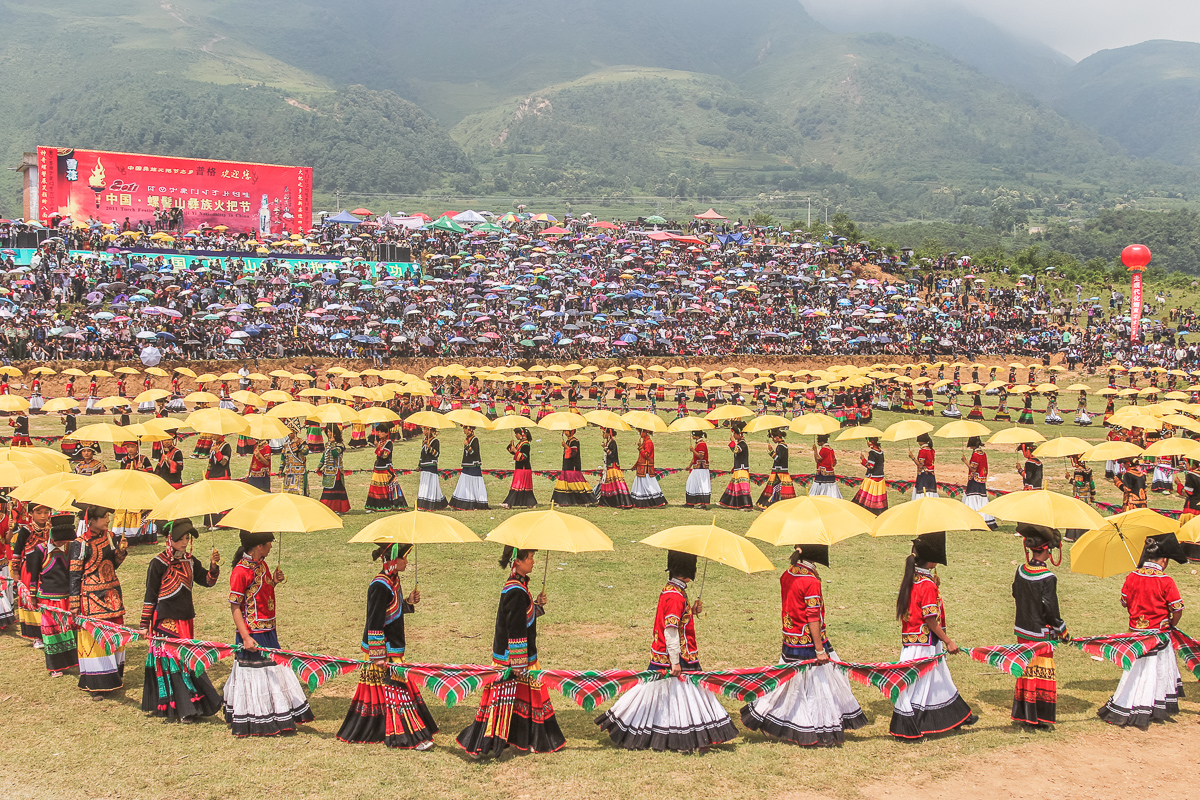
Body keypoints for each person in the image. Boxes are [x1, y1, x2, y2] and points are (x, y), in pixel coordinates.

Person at [596, 550, 737, 752]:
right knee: (682, 694)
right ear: (688, 570)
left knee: (668, 693)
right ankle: (685, 736)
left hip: (673, 653)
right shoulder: (675, 596)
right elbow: (670, 630)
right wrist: (675, 661)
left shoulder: (673, 591)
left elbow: (677, 621)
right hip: (676, 655)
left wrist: (691, 611)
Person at [741, 544, 867, 746]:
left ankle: (773, 719)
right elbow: (812, 617)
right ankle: (816, 726)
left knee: (790, 683)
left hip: (790, 637)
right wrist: (819, 649)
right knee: (818, 684)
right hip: (809, 641)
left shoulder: (788, 573)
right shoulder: (810, 581)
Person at [457, 546, 565, 757]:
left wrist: (536, 606)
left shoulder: (519, 586)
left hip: (519, 657)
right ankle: (485, 743)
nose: (534, 562)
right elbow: (515, 627)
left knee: (520, 700)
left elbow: (522, 617)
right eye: (531, 558)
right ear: (519, 561)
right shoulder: (515, 591)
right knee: (501, 702)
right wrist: (518, 663)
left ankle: (527, 738)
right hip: (513, 659)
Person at [337, 543, 437, 750]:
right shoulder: (379, 585)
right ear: (392, 560)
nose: (406, 562)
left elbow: (392, 612)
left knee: (390, 693)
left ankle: (388, 729)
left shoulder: (393, 581)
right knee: (397, 693)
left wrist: (408, 602)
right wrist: (378, 656)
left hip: (393, 649)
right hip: (384, 652)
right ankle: (409, 736)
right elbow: (374, 622)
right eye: (403, 558)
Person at [223, 530, 314, 737]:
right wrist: (245, 637)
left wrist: (274, 581)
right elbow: (235, 607)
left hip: (269, 629)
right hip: (253, 633)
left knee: (273, 672)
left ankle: (276, 712)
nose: (271, 547)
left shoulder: (261, 564)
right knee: (257, 674)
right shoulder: (240, 572)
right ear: (258, 546)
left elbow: (262, 590)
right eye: (268, 543)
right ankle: (259, 717)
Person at [889, 532, 977, 739]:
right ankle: (911, 725)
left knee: (938, 677)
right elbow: (930, 619)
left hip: (914, 639)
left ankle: (958, 716)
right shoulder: (926, 585)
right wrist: (948, 641)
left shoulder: (915, 579)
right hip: (925, 642)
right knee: (920, 683)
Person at [1098, 533, 1187, 729]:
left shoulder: (1132, 576)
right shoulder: (1166, 580)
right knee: (1156, 671)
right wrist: (1171, 622)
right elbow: (1178, 608)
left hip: (1135, 633)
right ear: (1163, 560)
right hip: (1158, 633)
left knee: (1135, 671)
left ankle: (1131, 702)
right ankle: (1150, 706)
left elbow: (1124, 602)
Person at [140, 518, 223, 722]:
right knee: (173, 662)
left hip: (186, 620)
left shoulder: (190, 561)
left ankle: (191, 705)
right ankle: (184, 707)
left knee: (186, 660)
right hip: (165, 621)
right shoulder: (157, 563)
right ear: (170, 539)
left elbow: (208, 581)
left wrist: (213, 566)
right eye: (181, 539)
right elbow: (150, 596)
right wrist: (144, 625)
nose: (185, 542)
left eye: (187, 538)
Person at [1011, 524, 1068, 728]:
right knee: (1041, 673)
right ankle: (1040, 716)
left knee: (1025, 671)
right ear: (1047, 550)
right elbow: (1050, 610)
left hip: (1022, 630)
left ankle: (1024, 713)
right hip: (1041, 633)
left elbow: (1016, 594)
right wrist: (1062, 630)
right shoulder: (1047, 578)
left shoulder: (1021, 570)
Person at [69, 506, 128, 693]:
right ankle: (98, 684)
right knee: (96, 638)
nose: (107, 520)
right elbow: (74, 574)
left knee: (115, 634)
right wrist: (74, 603)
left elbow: (112, 565)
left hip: (112, 594)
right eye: (104, 517)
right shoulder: (81, 543)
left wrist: (121, 552)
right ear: (92, 521)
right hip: (91, 598)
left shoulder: (110, 536)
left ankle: (115, 677)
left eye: (108, 517)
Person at [27, 515, 78, 676]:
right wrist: (33, 595)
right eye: (62, 540)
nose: (64, 543)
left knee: (70, 631)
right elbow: (33, 575)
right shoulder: (39, 550)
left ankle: (72, 661)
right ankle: (55, 666)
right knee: (52, 633)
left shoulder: (71, 549)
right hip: (49, 600)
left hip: (68, 598)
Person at [12, 502, 53, 643]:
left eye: (46, 512)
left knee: (46, 599)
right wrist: (16, 572)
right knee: (33, 599)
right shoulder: (25, 530)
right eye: (39, 512)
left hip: (48, 568)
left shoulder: (51, 529)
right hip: (29, 570)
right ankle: (37, 636)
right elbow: (16, 552)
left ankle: (48, 630)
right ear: (31, 514)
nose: (43, 516)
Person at [364, 423, 406, 512]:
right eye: (379, 432)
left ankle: (384, 505)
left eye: (381, 432)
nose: (379, 434)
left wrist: (377, 447)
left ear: (386, 433)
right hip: (378, 468)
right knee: (375, 488)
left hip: (385, 469)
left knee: (383, 489)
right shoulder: (380, 443)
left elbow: (384, 456)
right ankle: (373, 506)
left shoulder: (389, 443)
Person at [450, 425, 489, 510]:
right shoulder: (468, 439)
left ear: (469, 429)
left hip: (473, 466)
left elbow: (474, 453)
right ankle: (463, 501)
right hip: (467, 465)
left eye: (464, 428)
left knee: (472, 483)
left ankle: (474, 502)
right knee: (465, 483)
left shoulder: (475, 440)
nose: (463, 430)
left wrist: (467, 446)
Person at [551, 429, 594, 506]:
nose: (565, 432)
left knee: (576, 485)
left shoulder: (575, 441)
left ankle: (585, 500)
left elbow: (573, 453)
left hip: (573, 467)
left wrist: (566, 446)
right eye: (564, 431)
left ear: (572, 431)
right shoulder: (568, 441)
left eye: (567, 431)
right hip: (567, 466)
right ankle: (563, 501)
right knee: (565, 484)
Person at [960, 437, 996, 529]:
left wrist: (965, 461)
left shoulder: (976, 455)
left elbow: (973, 468)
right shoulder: (983, 454)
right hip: (982, 479)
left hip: (974, 479)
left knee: (972, 497)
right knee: (981, 498)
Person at [719, 421, 754, 510]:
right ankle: (727, 503)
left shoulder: (742, 444)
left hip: (742, 469)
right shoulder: (740, 443)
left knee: (742, 488)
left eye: (734, 434)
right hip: (738, 468)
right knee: (734, 487)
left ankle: (746, 506)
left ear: (739, 434)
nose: (733, 435)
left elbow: (735, 450)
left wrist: (732, 442)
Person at [317, 425, 351, 513]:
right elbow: (324, 456)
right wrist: (319, 466)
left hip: (336, 471)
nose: (328, 434)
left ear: (335, 433)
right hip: (328, 470)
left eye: (330, 432)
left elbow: (335, 454)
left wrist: (332, 444)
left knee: (335, 489)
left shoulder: (340, 445)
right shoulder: (327, 444)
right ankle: (327, 508)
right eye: (327, 432)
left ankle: (337, 508)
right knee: (327, 489)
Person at [502, 427, 537, 508]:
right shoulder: (520, 443)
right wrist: (512, 447)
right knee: (519, 486)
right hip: (520, 468)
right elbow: (516, 454)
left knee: (517, 486)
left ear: (522, 435)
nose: (515, 435)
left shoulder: (526, 444)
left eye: (517, 434)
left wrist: (515, 451)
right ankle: (530, 503)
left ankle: (509, 503)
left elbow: (524, 457)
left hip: (524, 468)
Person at [631, 429, 667, 508]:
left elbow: (646, 455)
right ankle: (642, 501)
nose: (640, 434)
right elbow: (640, 457)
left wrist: (640, 447)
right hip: (641, 467)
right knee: (641, 485)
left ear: (645, 432)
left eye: (641, 432)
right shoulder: (645, 442)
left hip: (646, 468)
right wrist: (635, 465)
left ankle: (656, 501)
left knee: (648, 485)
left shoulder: (648, 443)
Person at [852, 437, 888, 515]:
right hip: (880, 477)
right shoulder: (881, 452)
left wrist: (863, 460)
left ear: (871, 442)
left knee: (865, 498)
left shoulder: (872, 452)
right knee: (878, 497)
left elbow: (870, 466)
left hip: (873, 478)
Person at [416, 426, 448, 511]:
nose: (424, 431)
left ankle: (429, 504)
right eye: (424, 429)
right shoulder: (424, 441)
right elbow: (422, 454)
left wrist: (430, 448)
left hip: (431, 466)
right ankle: (424, 503)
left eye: (426, 429)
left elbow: (437, 454)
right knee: (424, 483)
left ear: (431, 430)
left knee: (430, 484)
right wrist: (419, 465)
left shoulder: (435, 441)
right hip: (424, 466)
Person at [684, 430, 711, 508]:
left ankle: (703, 503)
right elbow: (695, 457)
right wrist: (689, 465)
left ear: (697, 436)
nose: (692, 436)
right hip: (697, 468)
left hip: (701, 469)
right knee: (691, 483)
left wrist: (693, 450)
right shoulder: (698, 444)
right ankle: (690, 502)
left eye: (693, 435)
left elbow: (701, 456)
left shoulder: (702, 444)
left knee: (701, 485)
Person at [279, 422, 308, 496]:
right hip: (289, 471)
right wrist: (281, 469)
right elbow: (283, 457)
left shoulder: (301, 441)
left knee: (299, 492)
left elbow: (306, 452)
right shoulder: (286, 444)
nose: (289, 435)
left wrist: (298, 446)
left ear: (295, 432)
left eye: (291, 433)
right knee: (288, 493)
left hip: (299, 470)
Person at [809, 433, 841, 499]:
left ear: (822, 442)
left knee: (821, 490)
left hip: (822, 473)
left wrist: (815, 450)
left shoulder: (824, 449)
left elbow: (818, 459)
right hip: (830, 473)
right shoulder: (831, 449)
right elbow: (834, 462)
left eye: (818, 441)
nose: (818, 443)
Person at [908, 433, 938, 499]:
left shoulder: (923, 451)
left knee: (922, 494)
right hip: (931, 476)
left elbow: (920, 465)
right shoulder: (932, 450)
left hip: (924, 476)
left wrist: (912, 457)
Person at [1175, 458, 1200, 524]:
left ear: (1193, 465)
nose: (1186, 465)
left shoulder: (1191, 475)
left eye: (1187, 463)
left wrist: (1179, 484)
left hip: (1193, 508)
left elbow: (1187, 493)